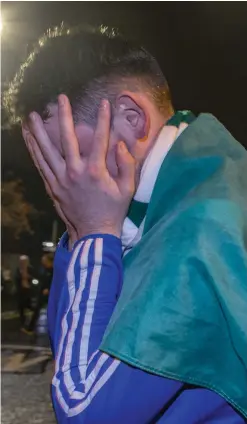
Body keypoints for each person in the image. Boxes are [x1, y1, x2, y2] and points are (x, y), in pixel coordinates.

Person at [5, 25, 247, 423]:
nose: (64, 180)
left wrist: (94, 232)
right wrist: (82, 233)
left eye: (69, 152)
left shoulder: (202, 227)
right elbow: (71, 346)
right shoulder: (197, 180)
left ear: (132, 117)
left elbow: (85, 409)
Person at [26, 253, 53, 334]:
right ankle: (30, 328)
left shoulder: (54, 270)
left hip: (51, 294)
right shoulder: (44, 269)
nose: (42, 261)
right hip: (43, 293)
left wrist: (49, 289)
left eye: (44, 260)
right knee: (37, 309)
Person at [15, 255, 33, 331]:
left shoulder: (30, 269)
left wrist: (29, 277)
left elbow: (34, 278)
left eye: (24, 261)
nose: (23, 263)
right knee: (21, 308)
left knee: (30, 307)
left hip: (29, 291)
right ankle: (22, 324)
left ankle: (30, 324)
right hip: (21, 291)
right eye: (21, 261)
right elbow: (16, 278)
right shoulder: (18, 269)